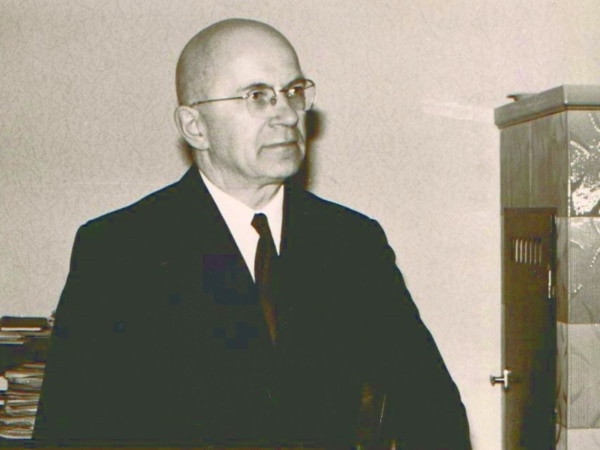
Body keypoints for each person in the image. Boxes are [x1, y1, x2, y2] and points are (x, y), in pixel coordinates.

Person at [35, 18, 471, 449]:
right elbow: (70, 433)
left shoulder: (351, 243)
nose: (287, 114)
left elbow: (432, 408)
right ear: (195, 126)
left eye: (294, 92)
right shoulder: (120, 251)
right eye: (257, 96)